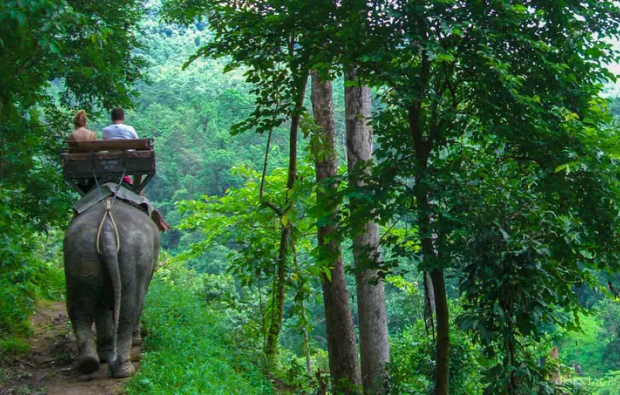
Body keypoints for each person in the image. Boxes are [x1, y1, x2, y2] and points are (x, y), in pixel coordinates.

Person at [103, 108, 138, 185]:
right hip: (128, 161)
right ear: (123, 118)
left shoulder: (105, 130)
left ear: (112, 118)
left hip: (111, 162)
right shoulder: (130, 129)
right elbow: (137, 143)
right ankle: (136, 186)